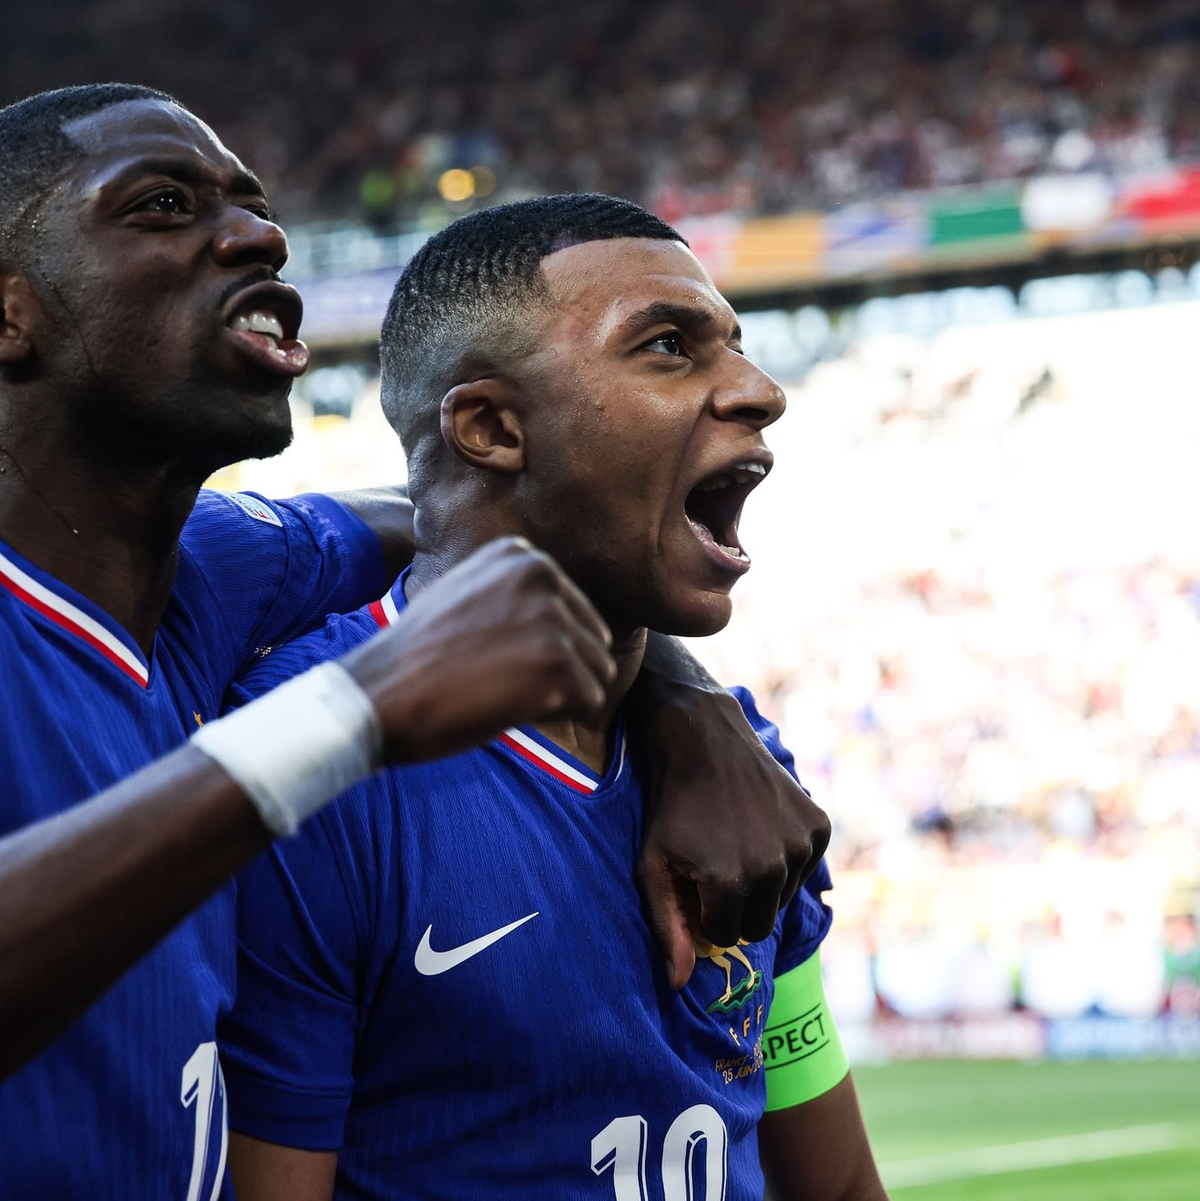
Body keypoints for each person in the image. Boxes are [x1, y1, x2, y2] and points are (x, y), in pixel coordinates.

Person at [0, 87, 828, 1196]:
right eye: (161, 205)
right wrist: (353, 716)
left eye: (253, 207)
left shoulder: (210, 580)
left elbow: (454, 515)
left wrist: (680, 699)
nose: (259, 235)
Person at [220, 196, 884, 1199]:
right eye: (670, 347)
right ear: (490, 426)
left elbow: (828, 1183)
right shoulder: (310, 765)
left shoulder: (738, 756)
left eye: (737, 345)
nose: (758, 390)